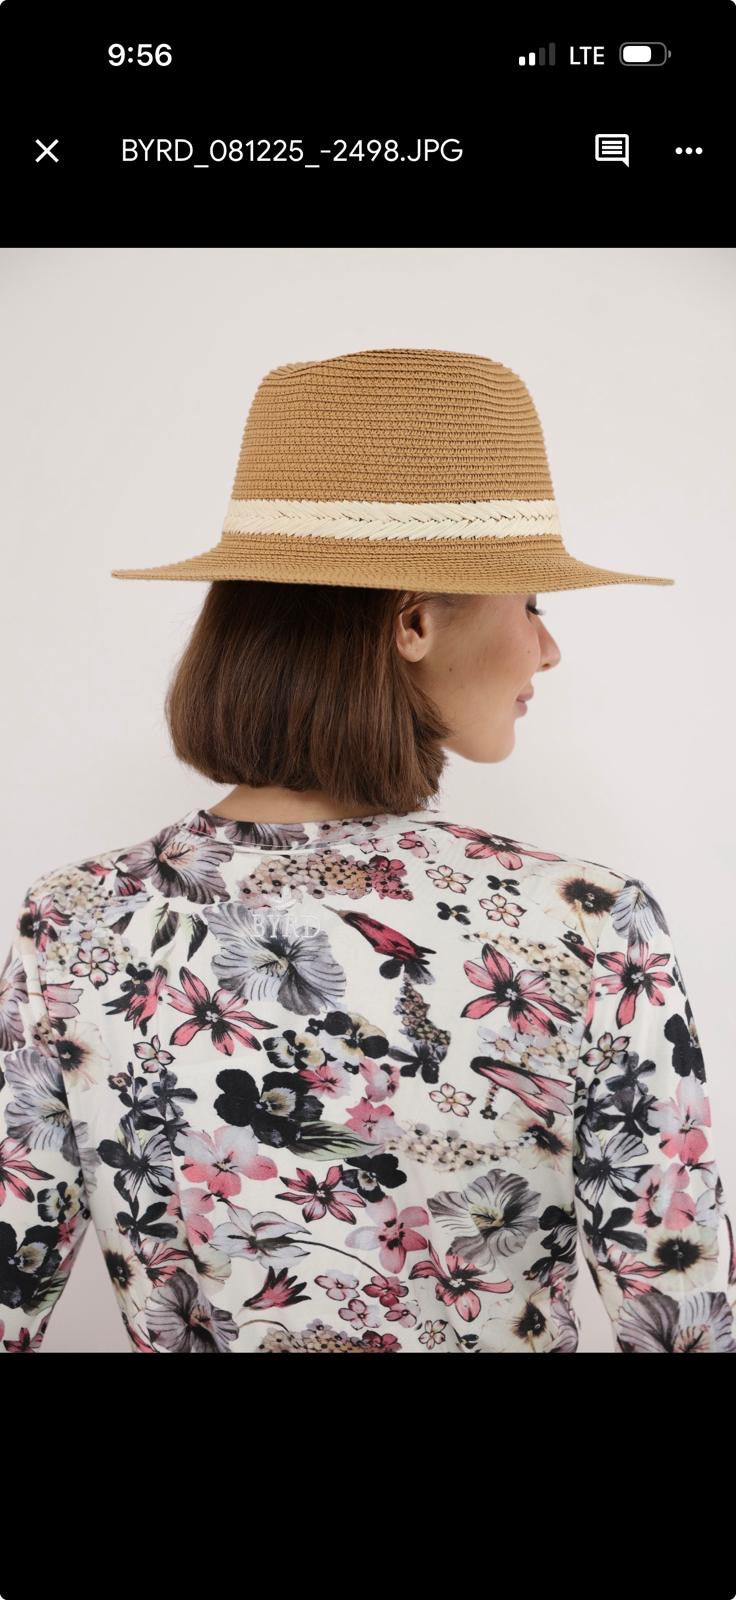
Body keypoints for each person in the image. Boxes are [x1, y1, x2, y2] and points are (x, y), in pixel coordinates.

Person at [1, 346, 734, 1353]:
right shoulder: (587, 924)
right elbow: (682, 1321)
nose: (547, 648)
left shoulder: (74, 922)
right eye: (533, 602)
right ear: (415, 621)